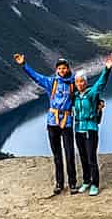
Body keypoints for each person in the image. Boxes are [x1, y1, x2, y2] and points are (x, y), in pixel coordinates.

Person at [14, 53, 79, 195]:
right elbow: (36, 77)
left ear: (68, 69)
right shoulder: (52, 82)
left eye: (64, 68)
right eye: (60, 69)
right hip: (52, 122)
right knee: (57, 155)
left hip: (66, 122)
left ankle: (73, 183)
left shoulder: (74, 82)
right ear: (57, 70)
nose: (62, 71)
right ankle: (59, 183)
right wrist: (24, 65)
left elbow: (86, 89)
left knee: (69, 154)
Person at [72, 58, 112, 194]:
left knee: (91, 158)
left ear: (85, 82)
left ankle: (95, 184)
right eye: (77, 81)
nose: (79, 84)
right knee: (83, 157)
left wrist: (107, 69)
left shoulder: (91, 93)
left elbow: (100, 83)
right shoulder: (75, 96)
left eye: (82, 81)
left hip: (90, 129)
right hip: (78, 129)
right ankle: (86, 181)